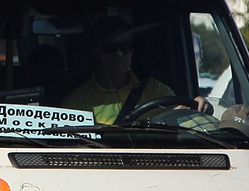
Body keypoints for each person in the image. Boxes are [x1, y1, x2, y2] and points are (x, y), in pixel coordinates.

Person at [63, 16, 208, 125]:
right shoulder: (76, 103)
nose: (119, 54)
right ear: (95, 51)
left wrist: (199, 106)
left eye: (125, 47)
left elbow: (180, 113)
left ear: (132, 51)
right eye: (110, 47)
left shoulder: (152, 88)